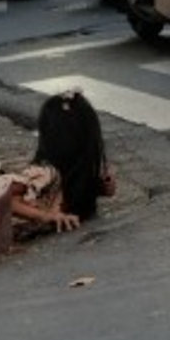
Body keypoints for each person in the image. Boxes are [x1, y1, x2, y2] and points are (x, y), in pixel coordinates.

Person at [10, 90, 116, 238]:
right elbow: (8, 200)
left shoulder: (75, 174)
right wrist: (46, 216)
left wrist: (101, 188)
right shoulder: (45, 173)